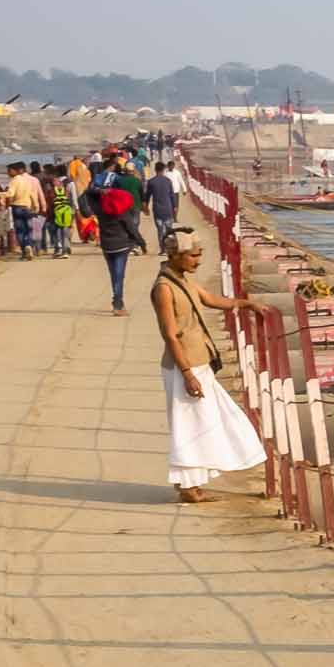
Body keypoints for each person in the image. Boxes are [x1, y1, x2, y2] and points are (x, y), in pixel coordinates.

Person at [151, 231, 266, 502]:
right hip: (184, 367)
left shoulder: (183, 281)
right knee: (189, 426)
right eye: (193, 256)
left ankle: (189, 484)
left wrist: (244, 304)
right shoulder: (164, 288)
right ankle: (189, 488)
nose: (198, 261)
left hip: (198, 363)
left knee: (206, 422)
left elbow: (211, 300)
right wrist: (188, 374)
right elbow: (169, 334)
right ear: (175, 255)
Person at [84, 154, 147, 314]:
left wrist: (101, 192)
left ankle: (116, 298)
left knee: (113, 274)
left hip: (107, 246)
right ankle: (118, 302)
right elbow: (132, 229)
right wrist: (141, 243)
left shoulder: (101, 212)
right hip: (121, 246)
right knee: (120, 274)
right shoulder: (122, 213)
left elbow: (88, 194)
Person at [4, 163, 45, 260]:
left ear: (15, 170)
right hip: (27, 207)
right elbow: (32, 194)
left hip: (17, 207)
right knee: (29, 229)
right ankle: (28, 244)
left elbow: (11, 193)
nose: (8, 173)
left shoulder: (14, 181)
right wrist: (36, 205)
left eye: (9, 170)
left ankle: (24, 250)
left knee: (20, 231)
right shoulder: (27, 181)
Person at [146, 162, 179, 251]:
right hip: (168, 209)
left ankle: (163, 249)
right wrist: (175, 206)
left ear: (155, 169)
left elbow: (147, 196)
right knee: (169, 230)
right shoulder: (168, 181)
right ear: (164, 170)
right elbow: (172, 195)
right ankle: (171, 247)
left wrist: (145, 207)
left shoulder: (151, 182)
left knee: (160, 230)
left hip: (157, 210)